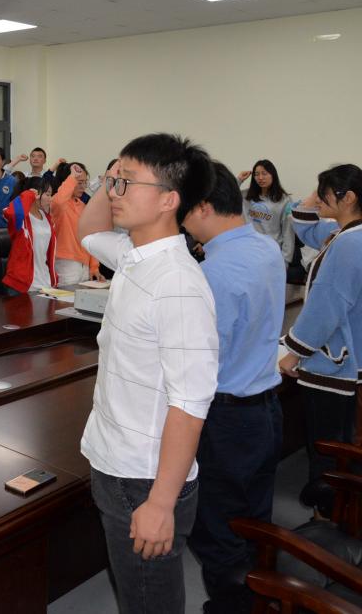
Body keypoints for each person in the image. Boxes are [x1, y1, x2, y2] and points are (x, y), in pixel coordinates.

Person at [76, 133, 218, 614]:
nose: (114, 191)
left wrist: (160, 504)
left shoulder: (177, 284)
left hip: (145, 479)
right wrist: (111, 177)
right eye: (114, 180)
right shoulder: (134, 256)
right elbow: (88, 232)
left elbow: (190, 404)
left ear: (168, 199)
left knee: (149, 603)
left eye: (127, 182)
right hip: (116, 461)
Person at [182, 161, 286, 614]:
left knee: (218, 530)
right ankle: (257, 598)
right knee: (253, 520)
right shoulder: (265, 248)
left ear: (203, 207)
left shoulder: (213, 274)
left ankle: (233, 607)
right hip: (265, 409)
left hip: (226, 418)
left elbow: (201, 359)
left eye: (183, 209)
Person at [279, 164, 362, 518]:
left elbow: (327, 306)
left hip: (335, 365)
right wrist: (323, 189)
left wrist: (293, 352)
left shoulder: (349, 243)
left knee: (327, 446)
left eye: (327, 193)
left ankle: (326, 516)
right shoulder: (343, 233)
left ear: (349, 197)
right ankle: (337, 511)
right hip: (351, 358)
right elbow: (302, 222)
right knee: (340, 440)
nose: (319, 199)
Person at [2, 176, 57, 295]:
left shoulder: (46, 216)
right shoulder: (22, 218)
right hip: (23, 284)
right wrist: (29, 194)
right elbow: (11, 212)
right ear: (37, 194)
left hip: (45, 281)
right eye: (48, 194)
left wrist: (53, 277)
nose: (50, 198)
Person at [236, 159, 295, 265]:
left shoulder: (284, 200)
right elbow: (225, 195)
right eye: (256, 174)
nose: (260, 178)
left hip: (270, 253)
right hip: (247, 250)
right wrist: (239, 179)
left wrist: (285, 260)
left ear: (273, 175)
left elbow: (288, 232)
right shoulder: (245, 196)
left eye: (264, 173)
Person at [52, 162, 102, 285]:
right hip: (66, 264)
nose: (83, 187)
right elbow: (59, 201)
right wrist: (73, 177)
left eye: (85, 182)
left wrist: (94, 266)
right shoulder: (58, 203)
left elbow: (90, 237)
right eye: (79, 182)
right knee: (66, 298)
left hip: (84, 265)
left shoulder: (83, 205)